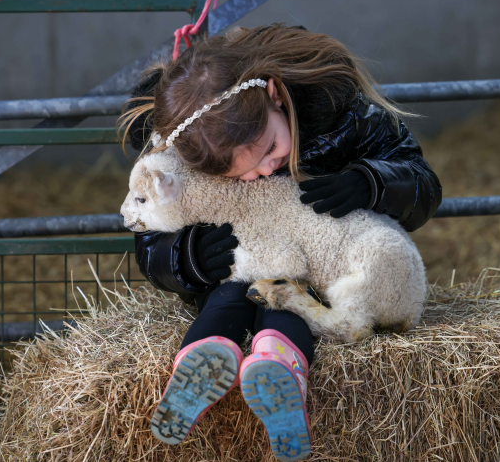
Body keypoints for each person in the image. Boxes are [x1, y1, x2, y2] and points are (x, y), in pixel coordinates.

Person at [118, 24, 442, 461]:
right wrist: (187, 256)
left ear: (273, 95)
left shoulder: (342, 114)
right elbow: (149, 239)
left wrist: (371, 182)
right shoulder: (183, 143)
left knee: (287, 295)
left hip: (320, 265)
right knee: (232, 291)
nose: (267, 169)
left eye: (271, 147)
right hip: (239, 266)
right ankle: (201, 361)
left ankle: (278, 371)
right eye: (242, 173)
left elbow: (423, 182)